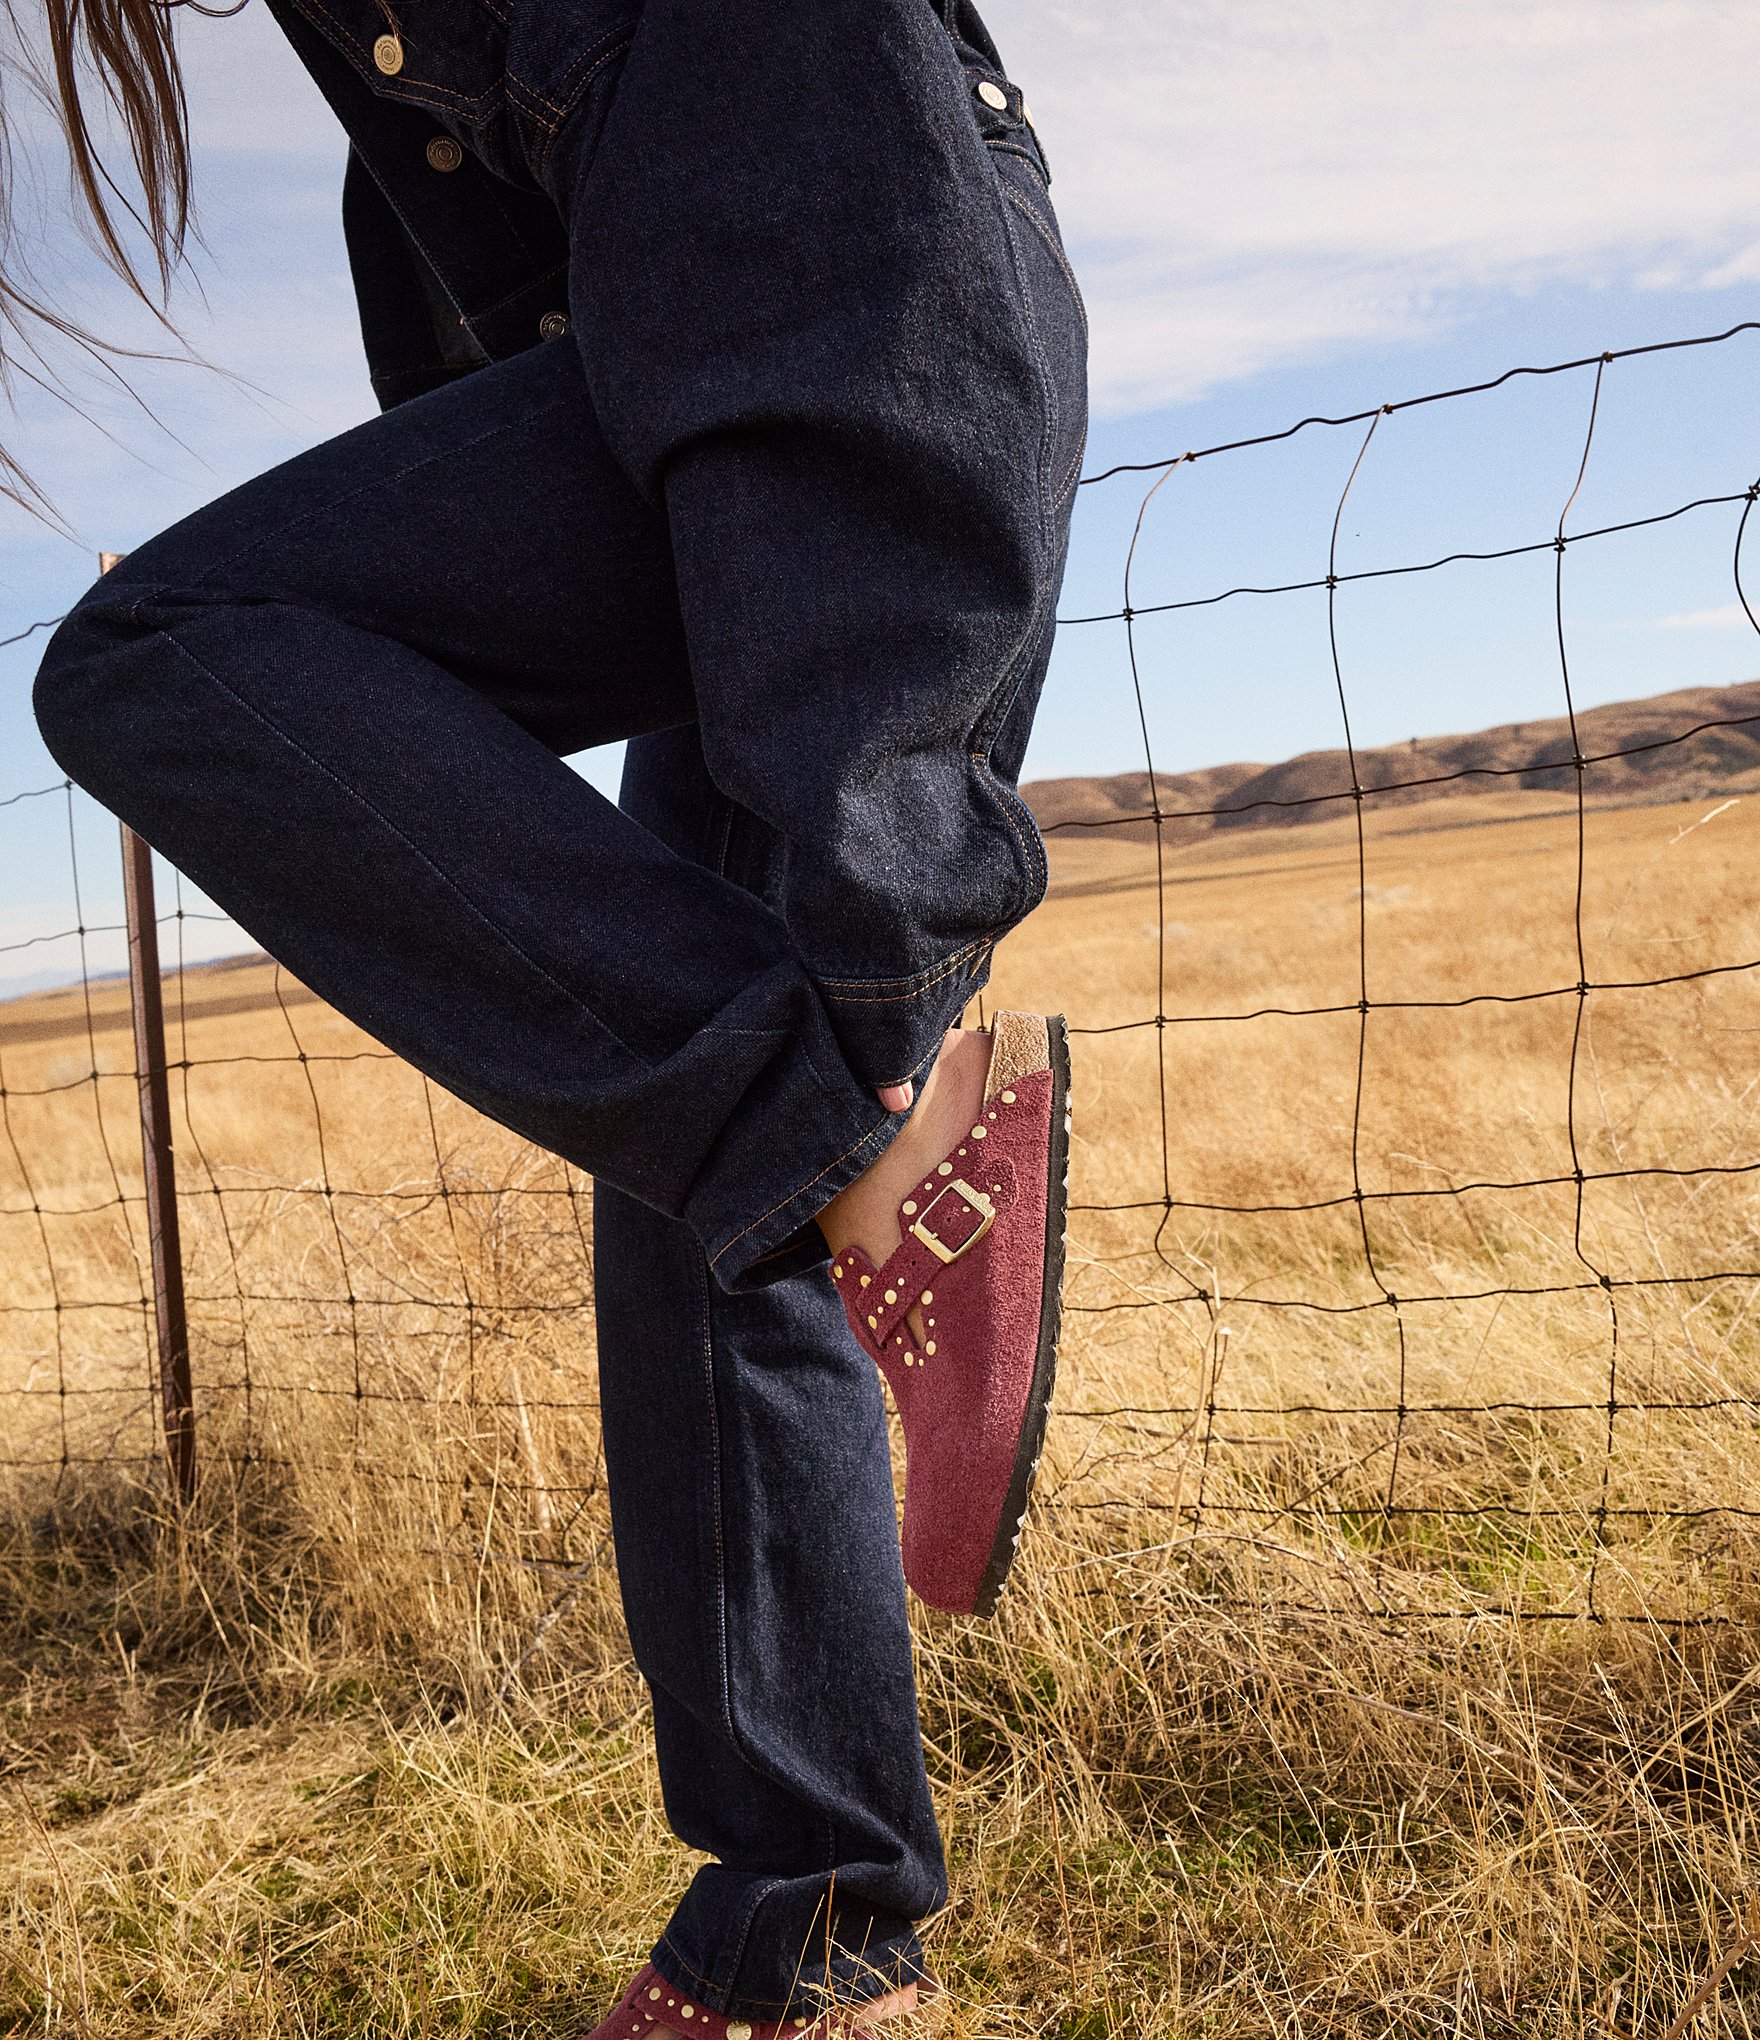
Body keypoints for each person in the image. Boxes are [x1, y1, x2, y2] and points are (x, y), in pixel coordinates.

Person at [27, 0, 1087, 2028]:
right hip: (680, 382)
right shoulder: (392, 103)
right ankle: (813, 1937)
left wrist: (881, 935)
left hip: (816, 336)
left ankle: (888, 1132)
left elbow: (835, 183)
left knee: (162, 656)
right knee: (727, 1189)